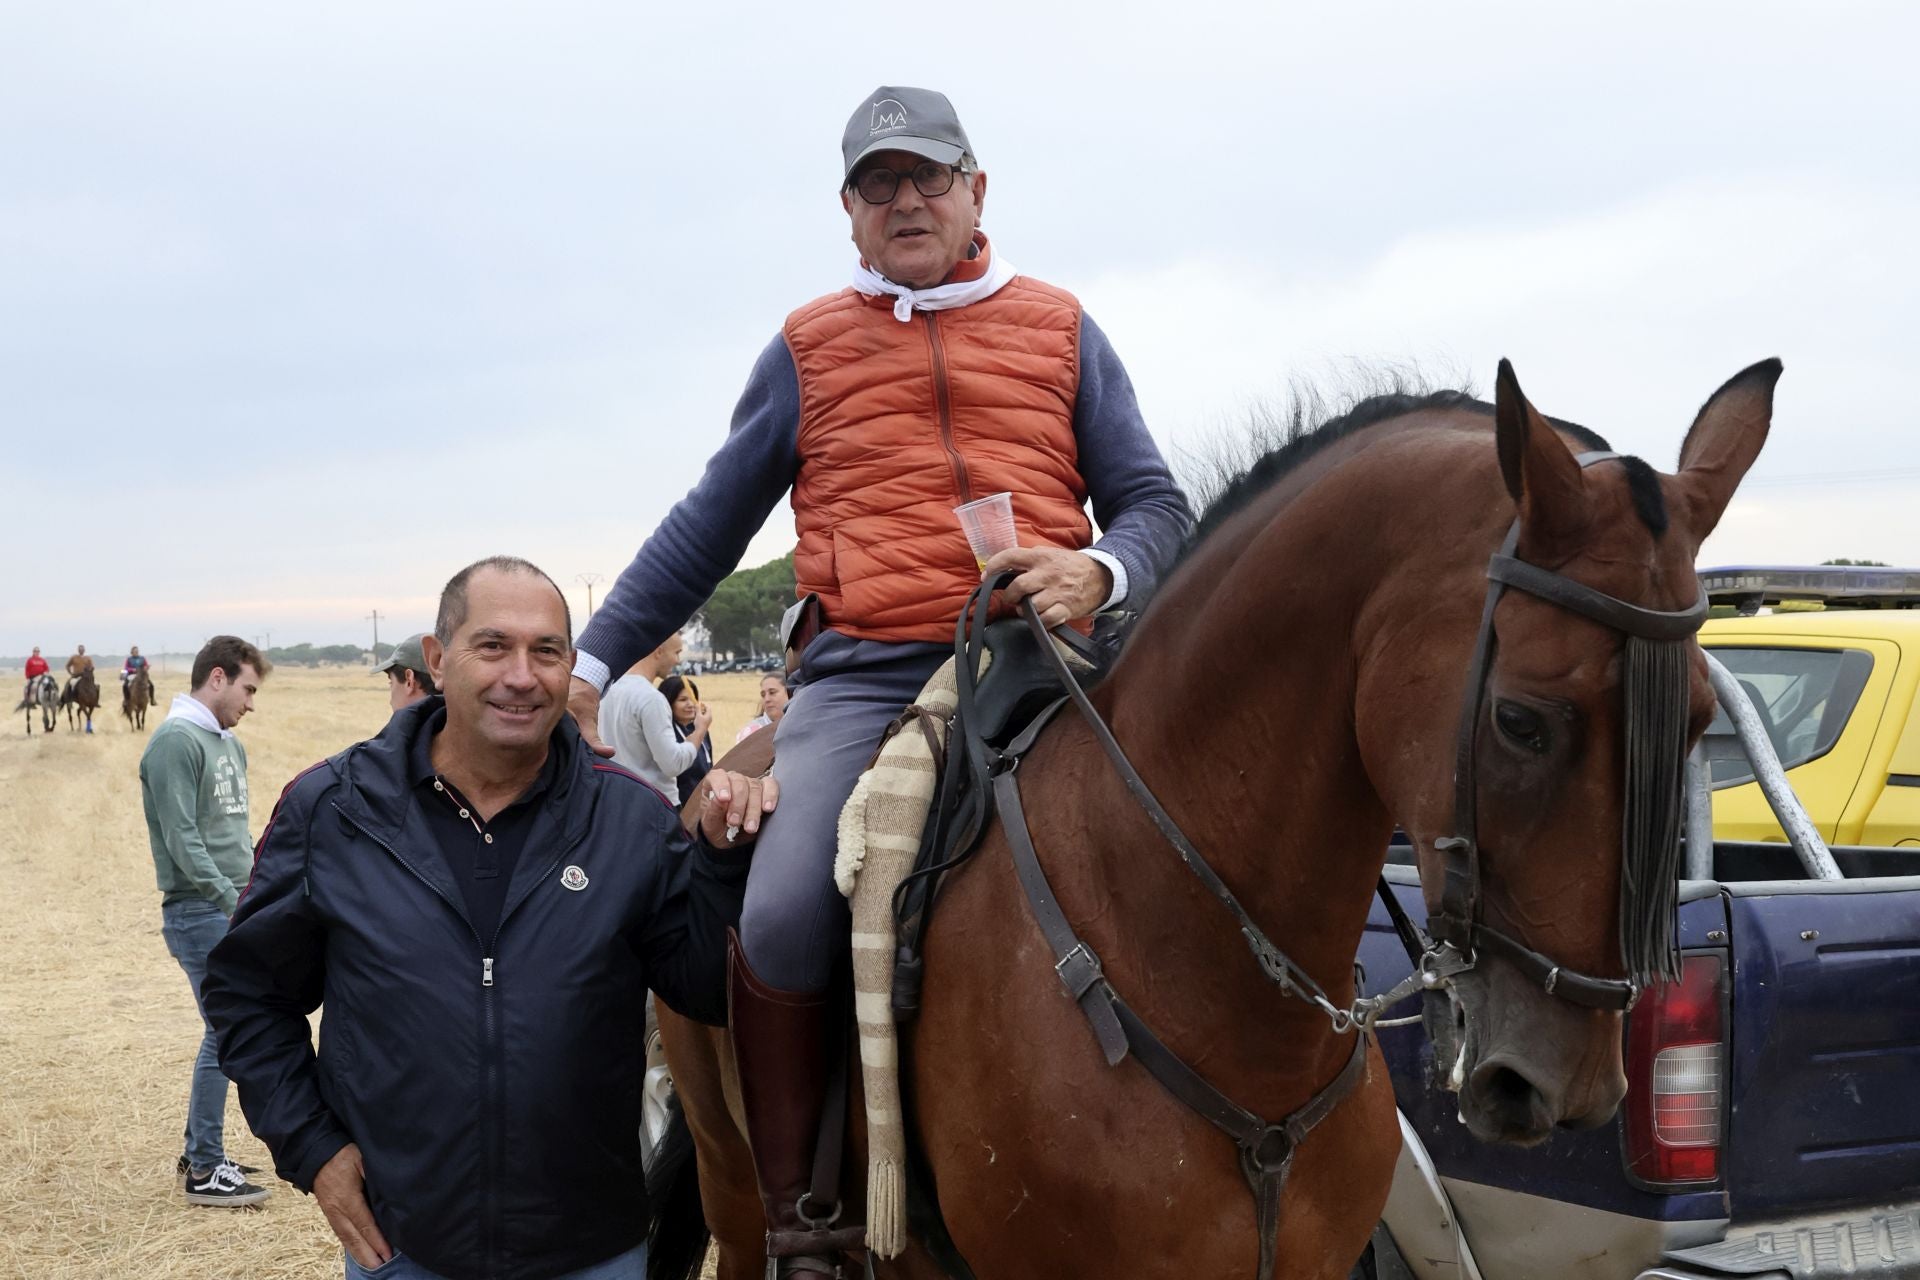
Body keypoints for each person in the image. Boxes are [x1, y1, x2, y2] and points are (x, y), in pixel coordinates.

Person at [563, 85, 1193, 1271]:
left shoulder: (1061, 326)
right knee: (789, 901)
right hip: (868, 669)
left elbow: (1156, 501)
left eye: (928, 176)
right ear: (849, 214)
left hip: (1052, 655)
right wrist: (590, 662)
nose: (906, 200)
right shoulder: (808, 345)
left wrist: (1101, 569)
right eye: (877, 184)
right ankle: (806, 1212)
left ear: (977, 192)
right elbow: (708, 525)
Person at [202, 556, 773, 1280]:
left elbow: (698, 989)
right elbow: (247, 996)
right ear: (438, 662)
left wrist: (721, 865)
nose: (522, 675)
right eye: (493, 646)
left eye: (547, 651)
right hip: (405, 1247)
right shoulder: (334, 811)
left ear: (571, 669)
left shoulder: (630, 818)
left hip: (593, 1250)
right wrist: (311, 1148)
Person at [138, 635, 273, 1207]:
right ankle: (204, 1169)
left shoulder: (227, 744)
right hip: (199, 911)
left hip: (232, 905)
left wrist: (259, 888)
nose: (250, 703)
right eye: (247, 689)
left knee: (226, 1028)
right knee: (226, 1029)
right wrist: (229, 898)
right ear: (217, 678)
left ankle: (201, 1149)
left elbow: (233, 834)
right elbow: (181, 837)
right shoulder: (174, 741)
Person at [597, 632, 713, 801]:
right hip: (655, 805)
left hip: (617, 800)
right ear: (658, 651)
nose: (678, 661)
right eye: (676, 652)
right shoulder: (651, 698)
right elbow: (673, 764)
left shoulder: (608, 691)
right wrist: (700, 730)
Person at [659, 674, 714, 804]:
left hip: (701, 806)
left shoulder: (701, 730)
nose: (690, 704)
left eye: (693, 699)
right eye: (683, 700)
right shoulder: (666, 734)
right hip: (676, 805)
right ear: (669, 702)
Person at [372, 632, 438, 713]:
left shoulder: (405, 725)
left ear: (409, 681)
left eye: (391, 682)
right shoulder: (453, 722)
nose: (390, 702)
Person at [734, 672, 791, 744]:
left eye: (772, 692)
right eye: (763, 695)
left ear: (789, 693)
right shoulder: (751, 733)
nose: (767, 699)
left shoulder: (802, 724)